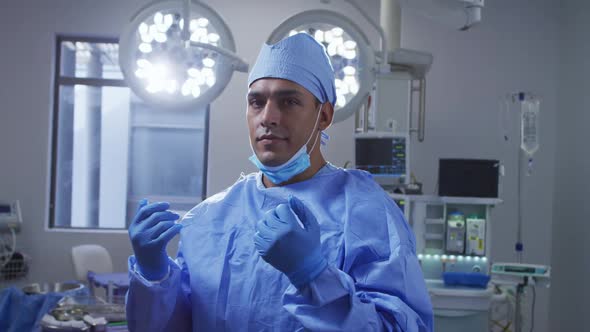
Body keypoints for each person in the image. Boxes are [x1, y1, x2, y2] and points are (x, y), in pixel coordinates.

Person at [126, 33, 433, 331]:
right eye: (256, 102)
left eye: (288, 102)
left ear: (324, 115)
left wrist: (315, 276)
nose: (268, 117)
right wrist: (155, 276)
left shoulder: (367, 213)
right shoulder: (208, 220)